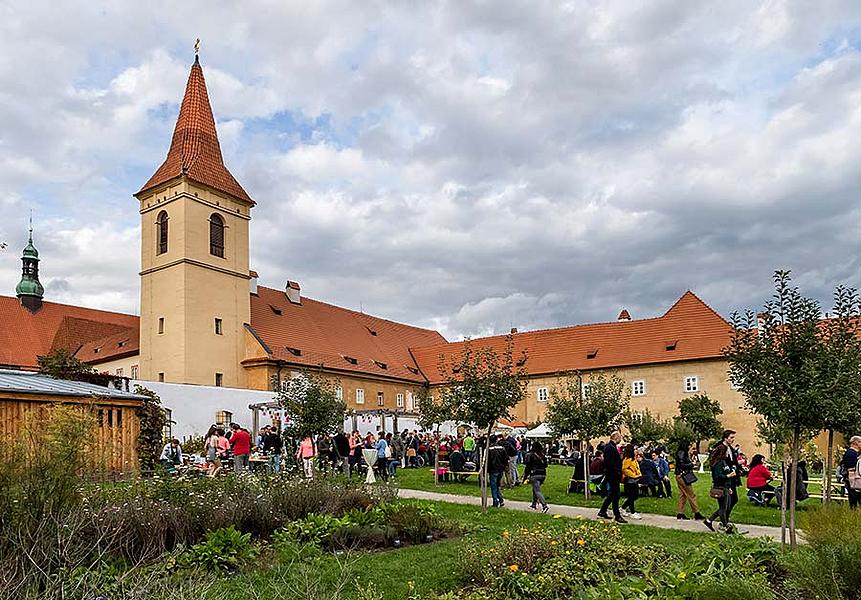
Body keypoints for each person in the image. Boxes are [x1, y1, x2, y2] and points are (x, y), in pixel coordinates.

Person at [704, 430, 739, 533]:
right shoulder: (718, 463)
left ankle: (710, 520)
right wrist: (729, 475)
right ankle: (725, 526)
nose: (728, 454)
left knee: (724, 506)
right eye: (731, 437)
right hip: (720, 486)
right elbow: (718, 476)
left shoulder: (723, 462)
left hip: (725, 485)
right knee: (724, 507)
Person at [598, 431, 627, 523]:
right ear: (616, 438)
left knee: (612, 494)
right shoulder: (610, 448)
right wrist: (617, 472)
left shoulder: (610, 447)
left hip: (612, 474)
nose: (620, 440)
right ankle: (617, 515)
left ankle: (602, 511)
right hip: (613, 474)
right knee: (616, 495)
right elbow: (610, 463)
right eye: (620, 438)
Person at [675, 440, 704, 520]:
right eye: (689, 445)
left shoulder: (680, 452)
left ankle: (680, 513)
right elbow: (681, 465)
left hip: (679, 475)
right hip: (683, 476)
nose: (690, 447)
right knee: (691, 494)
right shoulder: (682, 453)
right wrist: (691, 465)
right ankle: (696, 513)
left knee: (683, 495)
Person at [524, 440, 549, 512]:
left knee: (537, 490)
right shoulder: (542, 455)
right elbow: (546, 465)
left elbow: (528, 467)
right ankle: (533, 504)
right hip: (543, 474)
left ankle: (544, 505)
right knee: (535, 489)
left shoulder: (530, 455)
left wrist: (525, 476)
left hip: (534, 474)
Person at [621, 446, 643, 519]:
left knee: (635, 495)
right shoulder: (628, 459)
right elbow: (624, 469)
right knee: (632, 496)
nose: (636, 450)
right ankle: (632, 512)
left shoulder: (634, 459)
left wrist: (638, 474)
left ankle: (623, 508)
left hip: (635, 479)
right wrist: (633, 475)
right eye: (634, 449)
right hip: (630, 480)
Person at [487, 435, 509, 508]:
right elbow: (506, 459)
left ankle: (495, 502)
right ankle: (501, 500)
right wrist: (505, 466)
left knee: (494, 486)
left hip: (493, 469)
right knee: (497, 485)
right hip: (500, 469)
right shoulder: (502, 448)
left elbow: (488, 461)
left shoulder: (489, 449)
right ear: (496, 440)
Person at [842, 435, 861, 509]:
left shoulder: (854, 453)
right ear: (856, 443)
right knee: (854, 500)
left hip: (855, 481)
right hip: (853, 481)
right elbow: (851, 468)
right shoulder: (851, 453)